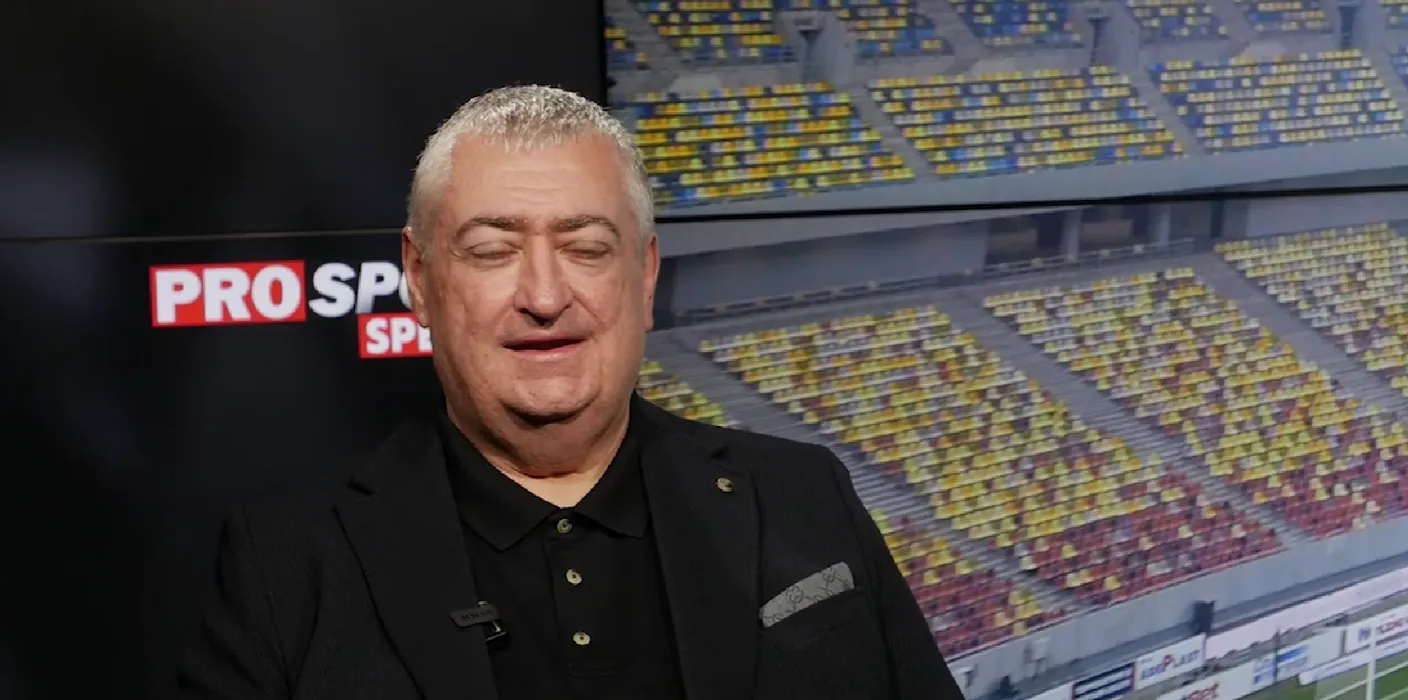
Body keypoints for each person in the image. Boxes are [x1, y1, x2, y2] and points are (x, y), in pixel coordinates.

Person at [177, 85, 966, 700]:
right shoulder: (286, 561)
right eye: (493, 251)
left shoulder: (805, 494)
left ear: (645, 275)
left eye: (587, 248)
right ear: (418, 278)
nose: (546, 296)